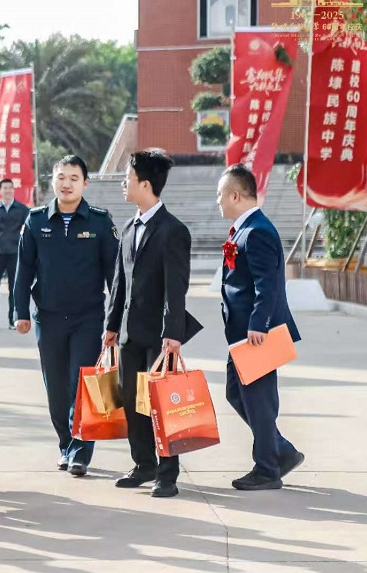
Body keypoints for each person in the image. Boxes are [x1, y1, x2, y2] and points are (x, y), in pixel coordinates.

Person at [14, 155, 119, 476]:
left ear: (85, 183)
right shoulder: (35, 221)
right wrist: (20, 311)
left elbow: (114, 276)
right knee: (56, 389)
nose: (67, 184)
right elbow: (23, 270)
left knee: (83, 384)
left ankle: (80, 451)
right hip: (48, 317)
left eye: (74, 178)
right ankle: (65, 444)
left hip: (88, 318)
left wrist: (114, 320)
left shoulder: (100, 222)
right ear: (53, 181)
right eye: (61, 177)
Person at [103, 150, 198, 499]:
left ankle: (167, 473)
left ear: (145, 184)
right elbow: (119, 283)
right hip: (130, 334)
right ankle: (143, 464)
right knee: (132, 401)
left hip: (160, 337)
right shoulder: (128, 228)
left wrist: (173, 333)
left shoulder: (173, 231)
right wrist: (111, 325)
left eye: (128, 177)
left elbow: (177, 287)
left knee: (162, 405)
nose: (123, 183)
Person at [217, 164, 304, 490]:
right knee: (236, 393)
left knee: (259, 401)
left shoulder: (258, 232)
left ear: (235, 196)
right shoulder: (243, 230)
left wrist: (259, 325)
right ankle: (281, 451)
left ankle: (267, 469)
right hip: (241, 334)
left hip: (255, 334)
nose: (217, 201)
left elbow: (268, 285)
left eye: (220, 194)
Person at [0, 179, 29, 329]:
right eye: (5, 188)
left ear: (13, 190)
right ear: (0, 190)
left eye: (10, 188)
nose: (7, 190)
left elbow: (28, 232)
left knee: (14, 287)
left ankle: (12, 318)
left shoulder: (22, 209)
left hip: (15, 252)